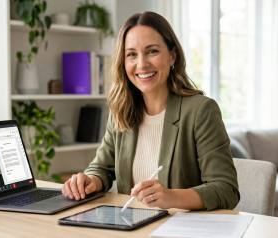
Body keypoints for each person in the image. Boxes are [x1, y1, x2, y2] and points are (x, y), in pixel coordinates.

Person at [61, 12, 239, 211]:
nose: (142, 64)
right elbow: (102, 167)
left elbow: (227, 189)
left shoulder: (201, 111)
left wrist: (173, 197)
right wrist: (91, 180)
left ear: (172, 56)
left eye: (152, 51)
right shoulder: (121, 110)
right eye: (131, 54)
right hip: (130, 225)